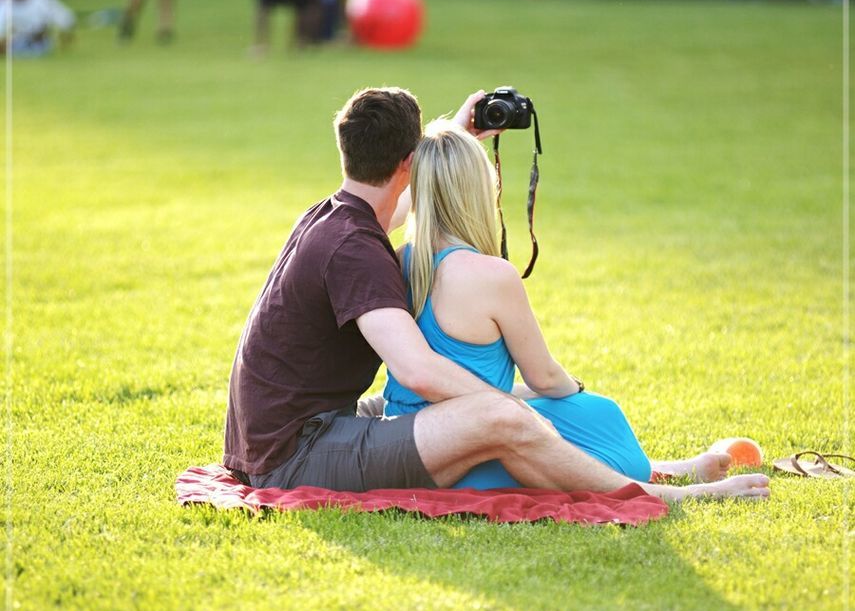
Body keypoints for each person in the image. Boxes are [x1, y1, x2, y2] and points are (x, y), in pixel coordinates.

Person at [223, 87, 769, 504]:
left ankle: (656, 467)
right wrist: (509, 409)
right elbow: (420, 373)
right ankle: (663, 495)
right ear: (408, 162)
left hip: (299, 429)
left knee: (506, 402)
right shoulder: (355, 250)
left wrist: (459, 136)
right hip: (296, 456)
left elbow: (411, 206)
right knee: (503, 417)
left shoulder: (336, 216)